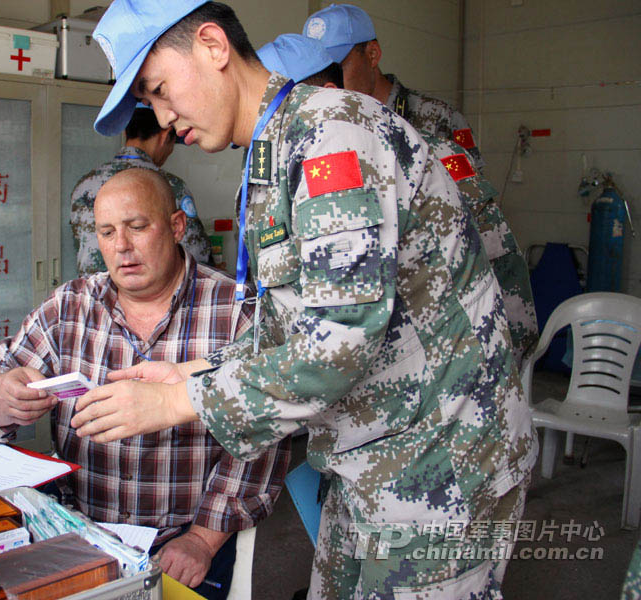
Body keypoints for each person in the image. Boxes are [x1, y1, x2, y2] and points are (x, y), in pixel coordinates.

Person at [75, 2, 536, 598]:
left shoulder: (331, 135)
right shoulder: (275, 148)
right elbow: (289, 322)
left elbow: (338, 341)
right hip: (372, 452)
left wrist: (174, 404)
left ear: (213, 46)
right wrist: (192, 369)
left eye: (160, 89)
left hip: (439, 461)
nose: (163, 117)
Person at [0, 167, 289, 599]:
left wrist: (202, 540)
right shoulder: (71, 306)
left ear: (176, 227)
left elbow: (263, 437)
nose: (122, 248)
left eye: (137, 227)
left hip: (184, 537)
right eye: (107, 232)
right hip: (80, 531)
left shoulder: (236, 311)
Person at [257, 33, 538, 368]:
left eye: (278, 114)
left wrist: (511, 363)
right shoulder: (286, 180)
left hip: (456, 380)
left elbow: (499, 263)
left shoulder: (429, 152)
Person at [303, 3, 486, 169]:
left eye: (336, 69)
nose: (328, 83)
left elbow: (472, 201)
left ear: (372, 55)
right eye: (318, 74)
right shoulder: (318, 125)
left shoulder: (439, 120)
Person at [70, 106, 212, 276]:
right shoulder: (170, 186)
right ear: (166, 135)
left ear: (125, 134)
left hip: (93, 297)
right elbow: (197, 254)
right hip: (152, 296)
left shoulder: (84, 185)